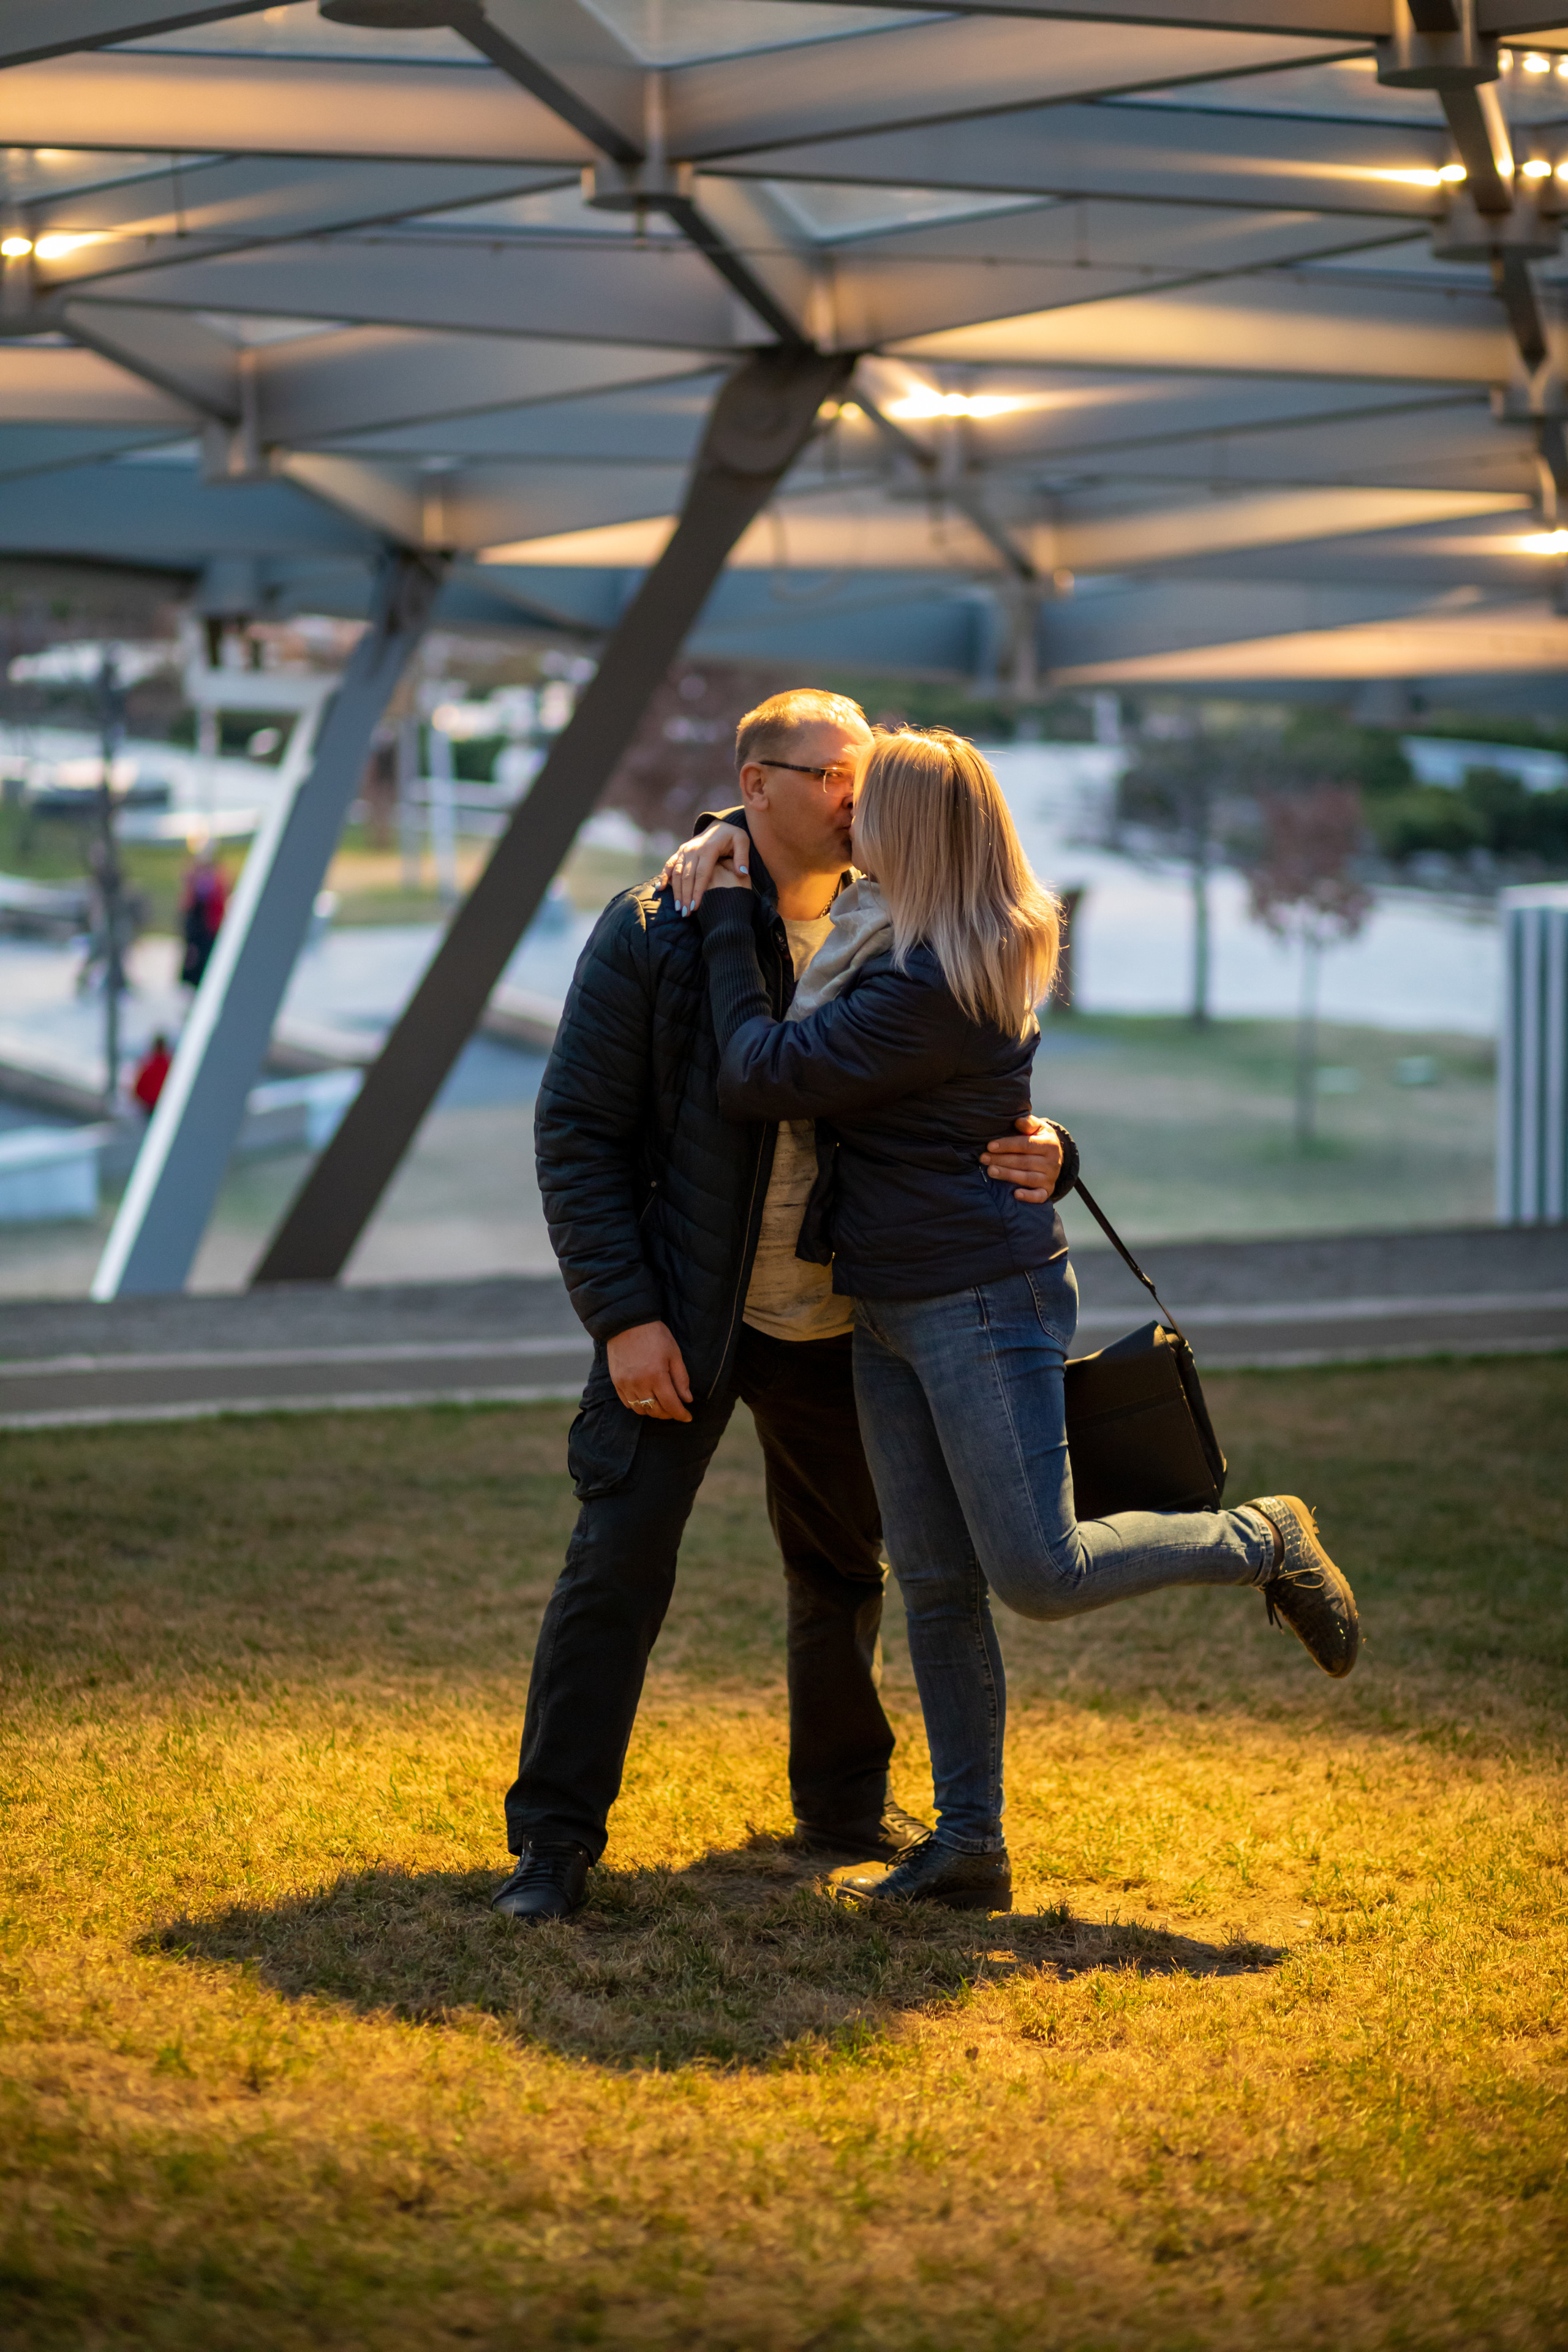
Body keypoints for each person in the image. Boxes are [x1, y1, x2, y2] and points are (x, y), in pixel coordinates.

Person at [687, 726, 1359, 1917]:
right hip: (885, 1298)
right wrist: (725, 844)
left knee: (1040, 1572)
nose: (847, 816)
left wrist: (730, 920)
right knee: (934, 1583)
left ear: (915, 828)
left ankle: (1259, 1537)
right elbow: (966, 1111)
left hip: (976, 1301)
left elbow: (761, 1074)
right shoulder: (903, 939)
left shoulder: (931, 979)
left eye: (866, 800)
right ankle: (968, 1846)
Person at [491, 690, 1068, 1924]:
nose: (861, 799)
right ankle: (552, 1842)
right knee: (617, 1561)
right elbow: (578, 1133)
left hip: (848, 1313)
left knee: (843, 1568)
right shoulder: (657, 927)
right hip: (686, 1312)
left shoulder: (899, 919)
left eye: (870, 776)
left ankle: (843, 1810)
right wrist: (622, 1316)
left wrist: (1053, 1149)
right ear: (755, 785)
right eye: (835, 777)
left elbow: (968, 1080)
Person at [179, 848, 227, 990]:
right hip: (198, 925)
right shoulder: (196, 878)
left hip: (209, 927)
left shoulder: (215, 879)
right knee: (194, 958)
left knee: (205, 959)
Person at [131, 1033, 172, 1114]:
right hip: (158, 1105)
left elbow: (137, 1089)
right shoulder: (170, 1064)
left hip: (150, 1106)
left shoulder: (147, 1064)